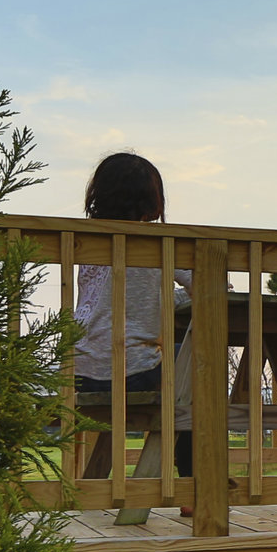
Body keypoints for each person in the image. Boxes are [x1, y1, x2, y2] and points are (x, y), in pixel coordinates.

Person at [73, 152, 192, 474]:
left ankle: (98, 479)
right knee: (194, 363)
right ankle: (194, 483)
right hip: (130, 371)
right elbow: (206, 285)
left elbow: (119, 302)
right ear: (153, 200)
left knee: (179, 361)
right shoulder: (156, 243)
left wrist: (167, 299)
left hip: (79, 373)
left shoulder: (83, 240)